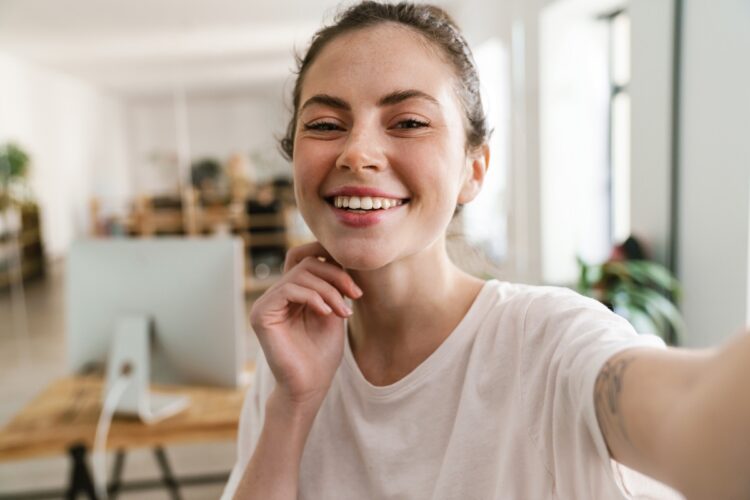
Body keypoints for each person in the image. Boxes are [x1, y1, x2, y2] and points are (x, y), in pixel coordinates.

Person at [223, 2, 750, 499]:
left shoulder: (551, 342)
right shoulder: (292, 354)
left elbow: (692, 411)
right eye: (324, 125)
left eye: (408, 122)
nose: (357, 152)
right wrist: (293, 404)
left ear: (472, 171)